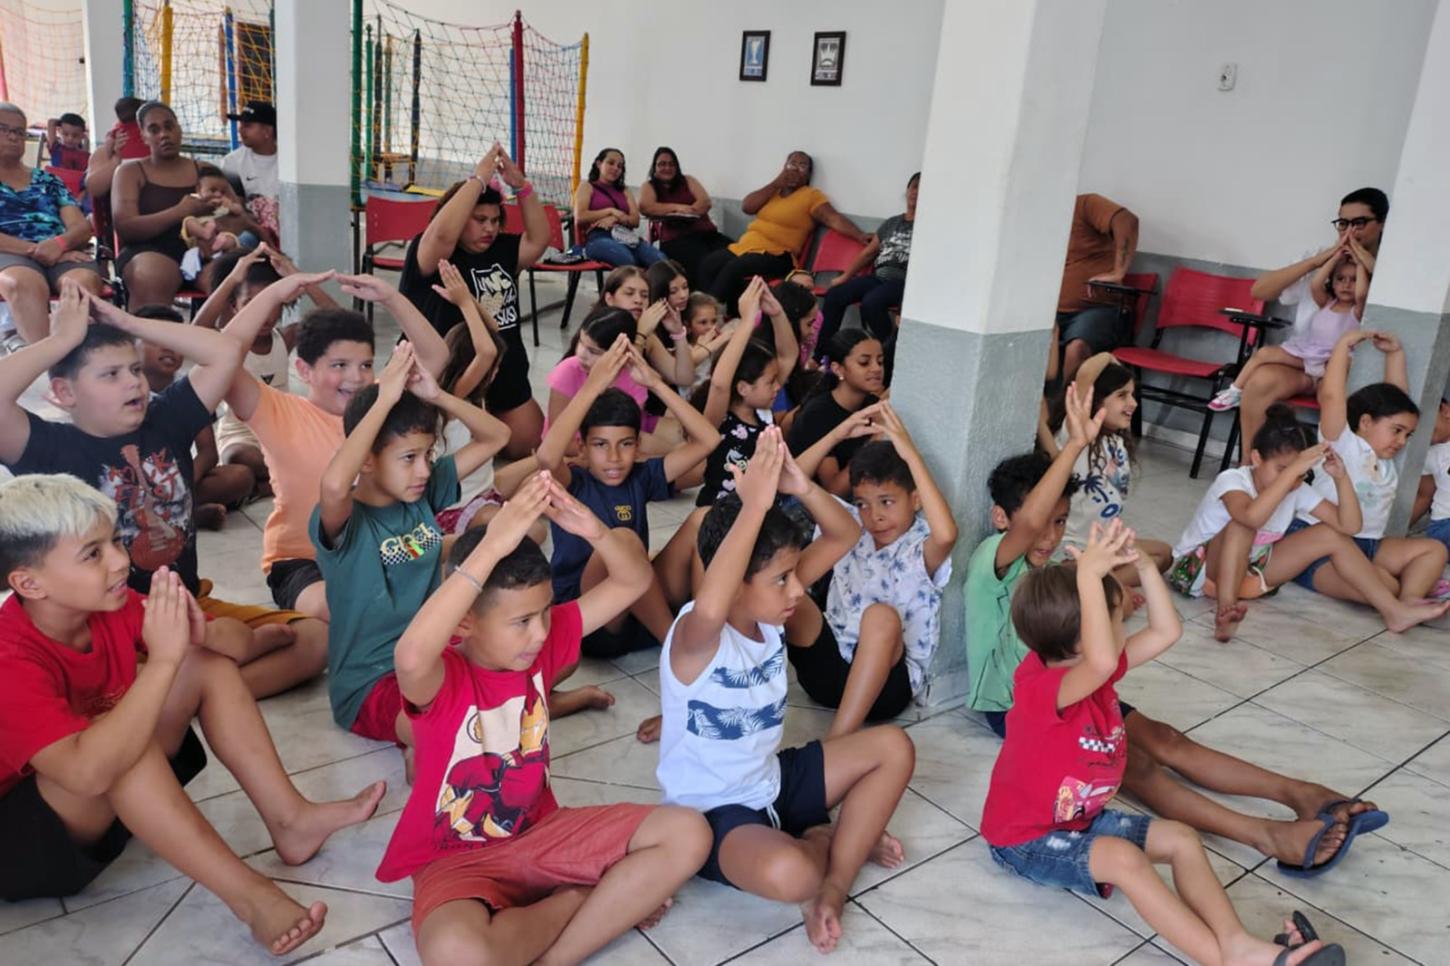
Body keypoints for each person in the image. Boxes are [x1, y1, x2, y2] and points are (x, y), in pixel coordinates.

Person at [968, 393, 1390, 877]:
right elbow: (1029, 525)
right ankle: (1266, 835)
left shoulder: (1056, 567)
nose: (1049, 533)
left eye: (1061, 520)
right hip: (1020, 706)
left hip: (1078, 678)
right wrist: (1074, 446)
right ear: (1004, 520)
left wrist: (1127, 582)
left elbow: (1103, 608)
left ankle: (1302, 794)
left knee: (1167, 740)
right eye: (1043, 521)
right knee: (1140, 770)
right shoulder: (992, 561)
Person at [0, 474, 386, 956]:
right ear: (28, 583)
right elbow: (86, 769)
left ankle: (291, 820)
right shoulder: (8, 657)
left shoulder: (107, 606)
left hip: (99, 799)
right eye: (92, 554)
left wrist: (202, 633)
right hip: (25, 847)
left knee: (204, 667)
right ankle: (251, 897)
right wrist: (161, 660)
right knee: (117, 745)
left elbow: (228, 648)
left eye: (113, 542)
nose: (121, 560)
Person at [374, 472, 710, 965]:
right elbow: (407, 658)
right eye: (521, 622)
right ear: (466, 621)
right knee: (456, 955)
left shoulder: (544, 644)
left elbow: (635, 580)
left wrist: (592, 528)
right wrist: (492, 544)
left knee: (689, 834)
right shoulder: (441, 676)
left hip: (543, 835)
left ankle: (559, 953)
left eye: (545, 613)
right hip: (453, 859)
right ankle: (581, 899)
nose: (539, 634)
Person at [981, 520, 1344, 966]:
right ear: (1084, 637)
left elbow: (1165, 632)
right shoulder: (1041, 688)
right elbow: (1097, 657)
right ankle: (1234, 960)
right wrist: (1090, 578)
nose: (1126, 619)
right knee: (1122, 859)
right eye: (1115, 617)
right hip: (1025, 840)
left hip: (1078, 821)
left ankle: (1236, 944)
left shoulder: (1095, 670)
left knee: (1181, 839)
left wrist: (1145, 568)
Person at [1, 279, 334, 699]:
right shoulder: (48, 447)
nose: (134, 384)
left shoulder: (165, 418)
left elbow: (226, 352)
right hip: (108, 622)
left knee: (313, 640)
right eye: (111, 374)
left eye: (135, 370)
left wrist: (128, 322)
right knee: (170, 662)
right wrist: (61, 340)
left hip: (188, 606)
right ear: (64, 392)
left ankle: (187, 697)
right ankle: (184, 688)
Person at [656, 429, 913, 954]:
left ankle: (834, 888)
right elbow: (710, 603)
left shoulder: (772, 616)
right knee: (791, 874)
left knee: (895, 747)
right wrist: (751, 507)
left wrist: (798, 484)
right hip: (717, 815)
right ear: (735, 583)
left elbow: (843, 535)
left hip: (774, 781)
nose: (797, 590)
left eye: (794, 575)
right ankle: (828, 842)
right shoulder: (697, 637)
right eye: (781, 579)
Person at [311, 341, 509, 750]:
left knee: (517, 666)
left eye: (428, 454)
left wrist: (437, 396)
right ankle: (426, 744)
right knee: (449, 725)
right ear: (366, 459)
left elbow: (497, 436)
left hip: (434, 656)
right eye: (408, 458)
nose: (423, 470)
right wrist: (383, 400)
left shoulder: (420, 493)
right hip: (372, 681)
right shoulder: (347, 523)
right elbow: (333, 484)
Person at [221, 271, 449, 621]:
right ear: (304, 369)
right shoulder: (276, 409)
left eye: (366, 365)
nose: (356, 378)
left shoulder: (379, 398)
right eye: (339, 366)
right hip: (301, 562)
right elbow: (222, 355)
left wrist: (391, 296)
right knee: (346, 605)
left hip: (381, 549)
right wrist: (275, 293)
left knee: (445, 579)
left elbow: (435, 355)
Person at [529, 336, 719, 658]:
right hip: (591, 617)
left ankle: (703, 625)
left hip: (636, 603)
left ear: (639, 446)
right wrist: (593, 386)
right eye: (601, 445)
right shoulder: (574, 483)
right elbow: (547, 458)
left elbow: (709, 440)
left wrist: (656, 383)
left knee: (705, 518)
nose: (614, 457)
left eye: (626, 444)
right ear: (582, 449)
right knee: (623, 541)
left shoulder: (642, 477)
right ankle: (677, 648)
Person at [790, 409, 957, 736]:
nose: (874, 516)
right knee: (784, 591)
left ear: (915, 499)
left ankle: (838, 742)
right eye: (864, 503)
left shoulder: (920, 547)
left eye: (886, 502)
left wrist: (909, 452)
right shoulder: (848, 523)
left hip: (885, 689)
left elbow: (948, 534)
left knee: (881, 616)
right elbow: (791, 480)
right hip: (827, 671)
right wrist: (837, 434)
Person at [1167, 407, 1367, 641]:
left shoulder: (1297, 488)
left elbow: (1350, 526)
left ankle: (1392, 608)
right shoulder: (1233, 480)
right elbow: (1252, 518)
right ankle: (1226, 611)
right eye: (1283, 469)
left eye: (1301, 473)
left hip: (1250, 575)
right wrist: (1293, 470)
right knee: (1242, 525)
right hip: (1198, 573)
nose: (1293, 480)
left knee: (1332, 534)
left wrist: (1341, 477)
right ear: (1256, 458)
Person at [400, 142, 548, 458]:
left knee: (527, 445)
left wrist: (521, 186)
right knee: (439, 450)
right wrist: (478, 180)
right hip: (449, 370)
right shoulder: (432, 252)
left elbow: (538, 240)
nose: (490, 228)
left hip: (501, 365)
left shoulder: (503, 249)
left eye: (495, 220)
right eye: (479, 219)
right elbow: (440, 235)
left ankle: (485, 417)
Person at [1286, 330, 1450, 606]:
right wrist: (1343, 345)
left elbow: (1398, 400)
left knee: (1434, 550)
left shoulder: (1384, 461)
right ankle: (1390, 589)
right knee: (1385, 585)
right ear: (1365, 422)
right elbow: (1331, 396)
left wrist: (1395, 354)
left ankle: (1410, 600)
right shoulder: (1341, 443)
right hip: (1320, 549)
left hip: (1369, 546)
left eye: (1407, 435)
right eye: (1397, 431)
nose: (1401, 441)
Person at [1240, 187, 1389, 462]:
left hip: (1350, 371)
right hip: (1304, 362)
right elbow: (1259, 291)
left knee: (1340, 400)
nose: (1349, 231)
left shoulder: (1391, 266)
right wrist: (1320, 260)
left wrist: (1364, 261)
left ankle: (1332, 476)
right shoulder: (1323, 258)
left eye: (1359, 223)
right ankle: (1250, 466)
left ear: (1381, 224)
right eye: (1343, 223)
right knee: (1260, 381)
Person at [198, 244, 339, 498]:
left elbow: (339, 322)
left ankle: (267, 485)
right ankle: (288, 477)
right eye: (251, 303)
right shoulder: (230, 346)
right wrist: (232, 279)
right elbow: (198, 329)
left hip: (284, 433)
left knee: (329, 442)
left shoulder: (284, 337)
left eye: (270, 303)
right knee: (238, 459)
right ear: (234, 305)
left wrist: (297, 277)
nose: (264, 314)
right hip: (241, 438)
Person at [1041, 355, 1172, 590]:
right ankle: (1100, 588)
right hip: (1074, 549)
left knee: (1164, 554)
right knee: (1147, 565)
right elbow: (1086, 373)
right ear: (1095, 400)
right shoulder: (1077, 434)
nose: (1133, 403)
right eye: (1122, 395)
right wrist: (1111, 359)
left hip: (1101, 544)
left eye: (1132, 394)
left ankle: (1102, 585)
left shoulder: (1115, 439)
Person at [697, 151, 869, 316]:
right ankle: (705, 313)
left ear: (808, 175)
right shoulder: (772, 191)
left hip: (778, 255)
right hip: (746, 248)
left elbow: (833, 219)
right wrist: (776, 183)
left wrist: (859, 235)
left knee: (734, 268)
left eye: (802, 166)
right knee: (709, 263)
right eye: (792, 163)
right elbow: (747, 207)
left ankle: (711, 316)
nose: (795, 168)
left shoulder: (811, 196)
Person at [1210, 250, 1368, 428]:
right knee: (1264, 353)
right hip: (1307, 355)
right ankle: (1235, 391)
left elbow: (1361, 294)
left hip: (1330, 364)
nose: (1346, 284)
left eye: (1353, 279)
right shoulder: (1326, 302)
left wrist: (1361, 263)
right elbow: (1315, 284)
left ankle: (1330, 439)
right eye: (1341, 279)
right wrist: (1334, 258)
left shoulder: (1357, 311)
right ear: (1332, 281)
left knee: (1331, 397)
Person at [133, 304, 254, 531]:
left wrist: (180, 483)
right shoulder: (124, 390)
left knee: (240, 476)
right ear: (131, 346)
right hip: (131, 481)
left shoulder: (193, 388)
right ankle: (188, 515)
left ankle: (176, 512)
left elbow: (208, 452)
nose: (169, 348)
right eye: (157, 340)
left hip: (179, 478)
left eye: (176, 342)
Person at [0, 101, 106, 345]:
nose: (12, 136)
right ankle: (46, 367)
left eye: (18, 131)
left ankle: (80, 365)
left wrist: (59, 244)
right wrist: (42, 251)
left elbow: (80, 227)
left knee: (83, 284)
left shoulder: (48, 180)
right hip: (8, 254)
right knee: (22, 284)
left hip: (61, 250)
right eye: (3, 129)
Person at [110, 101, 209, 309]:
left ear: (179, 129)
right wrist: (179, 212)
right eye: (154, 130)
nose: (164, 134)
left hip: (201, 249)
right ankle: (147, 340)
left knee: (237, 274)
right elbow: (125, 227)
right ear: (144, 137)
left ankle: (213, 337)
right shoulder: (130, 172)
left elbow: (234, 212)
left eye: (169, 126)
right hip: (147, 249)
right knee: (150, 275)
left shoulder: (205, 170)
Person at [817, 172, 917, 357]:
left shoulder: (927, 225)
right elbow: (869, 252)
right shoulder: (892, 223)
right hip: (879, 278)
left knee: (871, 302)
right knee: (835, 295)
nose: (916, 193)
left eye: (923, 189)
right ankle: (822, 356)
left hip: (903, 283)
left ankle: (891, 353)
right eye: (914, 187)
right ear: (907, 191)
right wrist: (845, 277)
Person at [1052, 193, 1139, 385]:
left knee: (1078, 346)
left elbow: (1128, 221)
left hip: (1098, 309)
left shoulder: (1085, 204)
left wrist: (1119, 272)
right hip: (1052, 310)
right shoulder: (1041, 218)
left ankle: (1068, 412)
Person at [785, 329, 885, 497]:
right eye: (864, 362)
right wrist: (874, 442)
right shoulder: (819, 414)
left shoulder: (871, 405)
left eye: (880, 362)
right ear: (838, 369)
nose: (876, 369)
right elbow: (833, 490)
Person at [638, 146, 732, 284]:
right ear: (654, 167)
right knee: (705, 261)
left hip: (707, 235)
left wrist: (691, 211)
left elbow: (705, 202)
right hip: (676, 240)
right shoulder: (649, 186)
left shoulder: (688, 180)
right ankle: (702, 298)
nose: (667, 168)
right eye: (662, 164)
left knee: (733, 252)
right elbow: (645, 207)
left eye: (671, 164)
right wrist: (678, 208)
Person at [573, 147, 665, 268]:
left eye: (620, 166)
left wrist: (615, 219)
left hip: (627, 237)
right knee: (626, 260)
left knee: (661, 262)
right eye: (611, 163)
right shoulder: (587, 186)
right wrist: (611, 211)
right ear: (599, 164)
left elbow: (635, 220)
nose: (616, 168)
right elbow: (580, 217)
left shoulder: (624, 190)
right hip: (598, 238)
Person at [179, 164, 270, 280]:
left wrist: (230, 206)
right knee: (188, 221)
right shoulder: (193, 201)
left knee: (229, 238)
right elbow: (185, 215)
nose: (217, 194)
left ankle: (220, 244)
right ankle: (204, 233)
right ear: (198, 189)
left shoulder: (225, 203)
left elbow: (240, 212)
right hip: (199, 235)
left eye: (222, 191)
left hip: (220, 238)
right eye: (212, 190)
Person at [221, 100, 279, 241]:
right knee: (245, 239)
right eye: (241, 125)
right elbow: (235, 209)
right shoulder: (232, 162)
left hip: (287, 227)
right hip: (252, 230)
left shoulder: (291, 160)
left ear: (267, 131)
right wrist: (260, 231)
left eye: (247, 126)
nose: (240, 130)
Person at [1413, 393, 1450, 554]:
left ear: (1445, 410)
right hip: (1444, 524)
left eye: (1424, 423)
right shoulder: (1429, 455)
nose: (1421, 432)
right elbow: (1424, 496)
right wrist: (1393, 530)